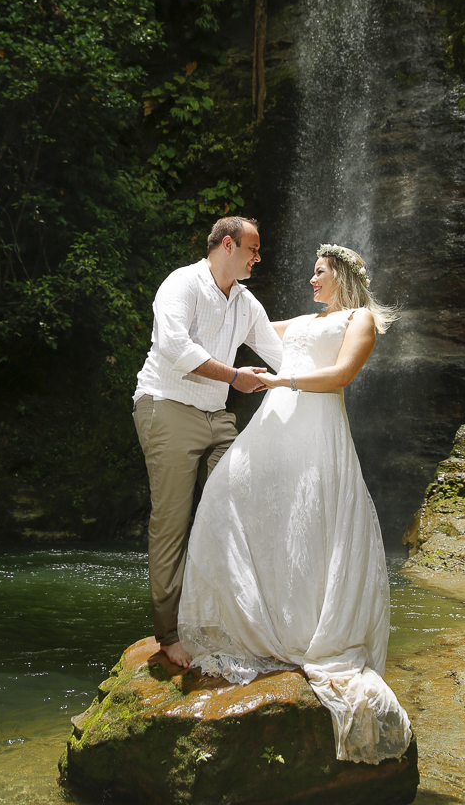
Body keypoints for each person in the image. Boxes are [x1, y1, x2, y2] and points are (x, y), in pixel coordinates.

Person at [177, 242, 412, 764]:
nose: (312, 279)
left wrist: (280, 379)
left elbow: (340, 376)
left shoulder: (359, 320)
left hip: (316, 425)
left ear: (341, 275)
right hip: (275, 424)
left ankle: (304, 630)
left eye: (319, 272)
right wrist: (207, 301)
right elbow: (249, 327)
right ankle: (253, 618)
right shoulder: (304, 321)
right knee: (229, 492)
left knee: (308, 522)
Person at [133, 216, 283, 668]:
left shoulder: (245, 302)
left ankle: (229, 620)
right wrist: (235, 376)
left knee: (237, 507)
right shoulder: (182, 284)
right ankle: (169, 634)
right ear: (228, 245)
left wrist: (324, 373)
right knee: (172, 521)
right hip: (166, 406)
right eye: (253, 249)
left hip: (217, 418)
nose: (259, 258)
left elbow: (279, 353)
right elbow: (175, 349)